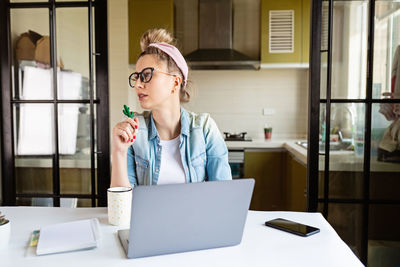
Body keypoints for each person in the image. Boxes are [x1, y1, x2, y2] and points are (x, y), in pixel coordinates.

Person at [110, 28, 232, 188]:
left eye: (146, 75)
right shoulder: (134, 131)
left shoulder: (204, 128)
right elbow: (122, 207)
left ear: (175, 82)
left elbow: (223, 194)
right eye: (137, 77)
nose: (138, 84)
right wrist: (119, 151)